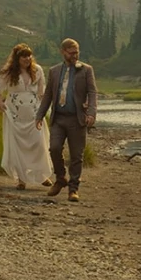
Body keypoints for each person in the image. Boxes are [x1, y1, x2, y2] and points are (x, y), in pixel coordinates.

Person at [35, 37, 98, 201]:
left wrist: (91, 113)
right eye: (71, 53)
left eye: (77, 52)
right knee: (54, 148)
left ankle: (73, 189)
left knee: (77, 155)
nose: (75, 56)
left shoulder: (86, 70)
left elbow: (92, 93)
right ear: (63, 52)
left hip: (77, 119)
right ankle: (61, 177)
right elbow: (48, 94)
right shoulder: (54, 71)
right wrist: (40, 115)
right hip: (58, 118)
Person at [0, 43, 53, 190]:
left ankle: (42, 175)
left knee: (38, 143)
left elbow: (41, 90)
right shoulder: (8, 72)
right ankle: (21, 179)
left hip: (34, 112)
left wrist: (43, 108)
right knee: (17, 146)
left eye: (29, 55)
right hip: (14, 113)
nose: (27, 58)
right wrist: (0, 104)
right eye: (24, 56)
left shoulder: (37, 70)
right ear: (17, 58)